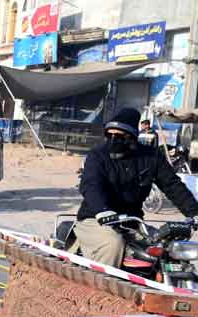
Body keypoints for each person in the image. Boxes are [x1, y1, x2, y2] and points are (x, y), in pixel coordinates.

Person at [74, 108, 198, 266]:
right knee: (113, 244)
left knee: (168, 249)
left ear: (132, 137)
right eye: (109, 135)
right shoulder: (98, 155)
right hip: (96, 219)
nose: (113, 140)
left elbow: (172, 185)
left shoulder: (151, 157)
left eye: (118, 136)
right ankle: (102, 289)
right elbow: (90, 184)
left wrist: (194, 212)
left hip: (133, 223)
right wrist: (102, 210)